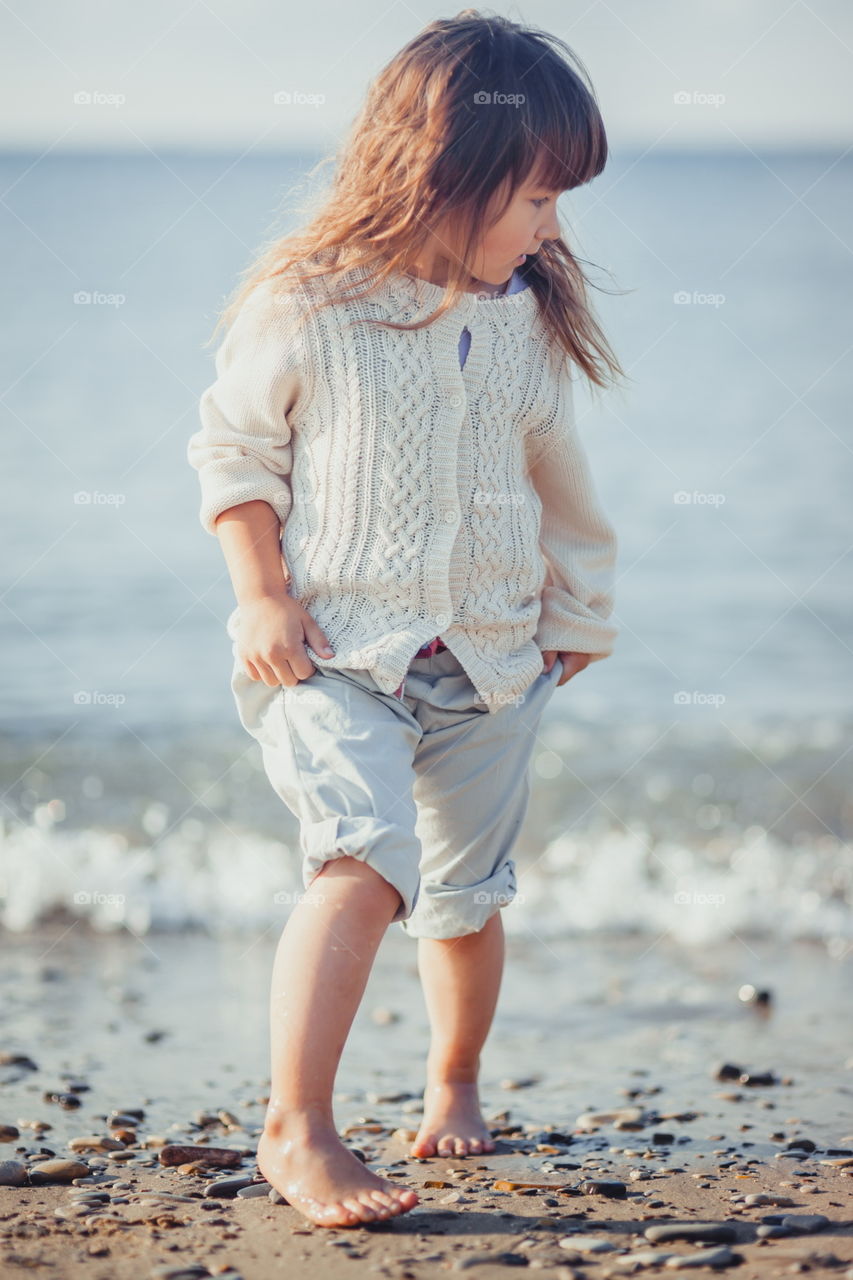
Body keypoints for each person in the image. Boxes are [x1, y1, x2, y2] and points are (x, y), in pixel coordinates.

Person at [187, 9, 625, 1231]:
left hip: (487, 658)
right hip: (333, 652)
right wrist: (261, 593)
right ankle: (300, 1124)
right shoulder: (310, 301)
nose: (551, 227)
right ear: (446, 174)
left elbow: (564, 482)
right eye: (536, 198)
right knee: (360, 856)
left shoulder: (526, 322)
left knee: (463, 897)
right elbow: (235, 455)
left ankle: (455, 1073)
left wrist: (578, 608)